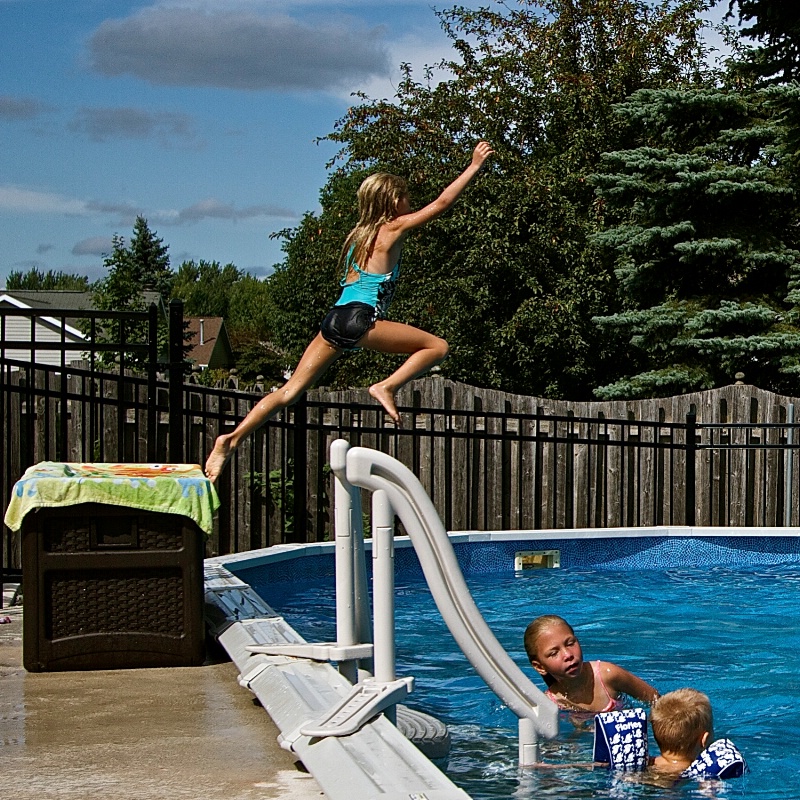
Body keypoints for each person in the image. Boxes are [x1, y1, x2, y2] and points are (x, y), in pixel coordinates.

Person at [204, 141, 494, 483]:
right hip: (361, 318)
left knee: (288, 392)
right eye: (405, 198)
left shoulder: (357, 235)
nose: (410, 203)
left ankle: (230, 440)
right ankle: (385, 387)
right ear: (392, 201)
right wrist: (474, 166)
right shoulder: (392, 228)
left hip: (336, 319)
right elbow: (443, 202)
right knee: (437, 347)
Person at [524, 614, 659, 717]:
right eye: (554, 653)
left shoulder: (607, 675)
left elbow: (655, 700)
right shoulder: (549, 704)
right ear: (539, 667)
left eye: (571, 643)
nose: (567, 654)